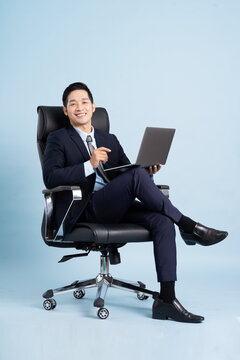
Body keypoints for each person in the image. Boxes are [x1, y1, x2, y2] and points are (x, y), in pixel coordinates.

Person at [43, 82, 228, 323]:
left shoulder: (109, 138)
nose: (80, 107)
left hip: (116, 206)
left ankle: (167, 300)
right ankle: (190, 226)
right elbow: (51, 177)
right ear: (65, 111)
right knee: (140, 181)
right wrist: (89, 164)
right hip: (86, 209)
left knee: (162, 221)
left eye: (84, 102)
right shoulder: (57, 138)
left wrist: (148, 171)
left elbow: (129, 175)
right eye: (72, 104)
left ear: (94, 106)